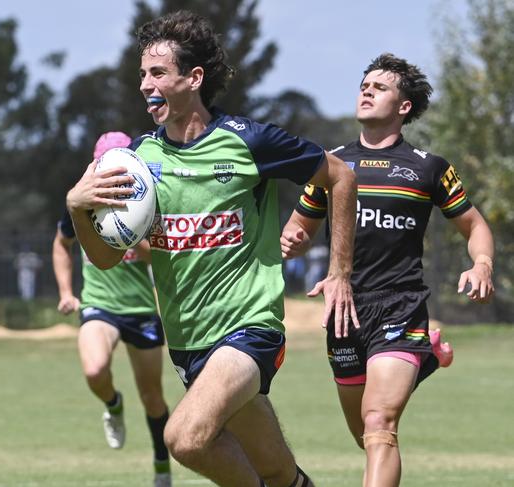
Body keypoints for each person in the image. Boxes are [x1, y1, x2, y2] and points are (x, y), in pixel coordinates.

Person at [66, 11, 359, 487]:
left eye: (157, 73)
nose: (145, 84)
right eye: (142, 74)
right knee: (279, 472)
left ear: (193, 78)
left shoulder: (248, 141)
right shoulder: (138, 161)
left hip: (249, 329)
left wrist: (340, 270)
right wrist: (78, 209)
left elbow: (340, 176)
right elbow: (104, 258)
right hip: (188, 344)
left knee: (185, 438)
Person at [282, 53, 495, 487]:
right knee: (365, 433)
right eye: (364, 85)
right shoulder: (331, 164)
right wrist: (293, 239)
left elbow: (473, 224)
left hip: (400, 305)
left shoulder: (428, 167)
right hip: (344, 311)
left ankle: (417, 350)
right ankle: (426, 358)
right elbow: (298, 227)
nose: (366, 91)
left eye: (379, 87)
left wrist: (483, 263)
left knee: (380, 424)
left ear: (403, 107)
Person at [52, 131, 172, 487]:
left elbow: (168, 252)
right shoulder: (82, 203)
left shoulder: (147, 200)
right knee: (94, 370)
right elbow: (61, 244)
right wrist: (65, 292)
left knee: (153, 398)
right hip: (99, 305)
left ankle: (162, 465)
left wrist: (134, 236)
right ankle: (113, 404)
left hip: (140, 310)